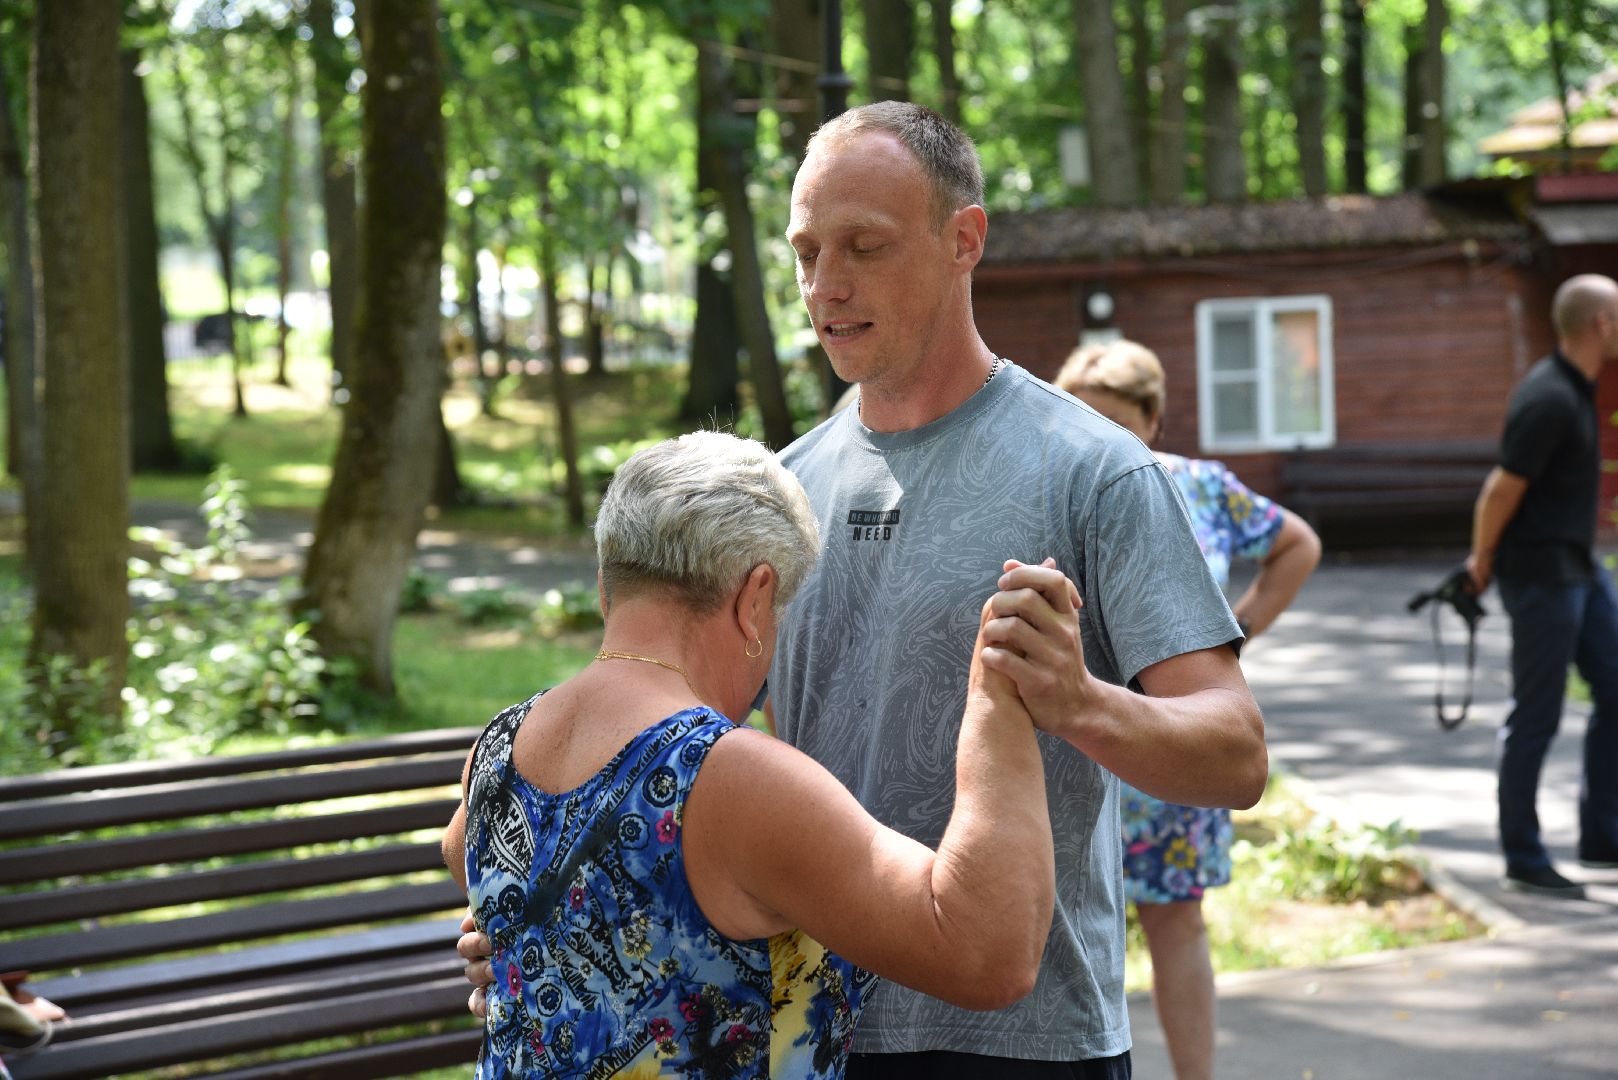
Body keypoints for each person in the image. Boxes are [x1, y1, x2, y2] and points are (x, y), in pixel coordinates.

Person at [461, 102, 1267, 1077]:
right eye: (805, 252)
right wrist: (546, 910)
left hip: (1023, 1034)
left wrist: (1081, 704)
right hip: (807, 1037)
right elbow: (670, 738)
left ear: (962, 238)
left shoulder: (1095, 470)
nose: (823, 286)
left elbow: (1235, 756)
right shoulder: (780, 486)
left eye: (863, 247)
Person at [442, 430, 1061, 1078]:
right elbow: (990, 953)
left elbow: (463, 854)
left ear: (605, 587)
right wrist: (998, 697)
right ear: (755, 597)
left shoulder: (504, 741)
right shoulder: (728, 775)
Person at [1057, 340, 1321, 1080]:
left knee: (1175, 928)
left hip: (1173, 751)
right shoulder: (1052, 480)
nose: (1096, 434)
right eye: (1080, 416)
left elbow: (1296, 544)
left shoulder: (1201, 487)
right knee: (1071, 933)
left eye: (1112, 419)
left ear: (1153, 418)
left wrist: (1228, 640)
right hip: (1081, 748)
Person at [1465, 272, 1618, 899]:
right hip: (1541, 578)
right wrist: (1481, 559)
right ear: (1600, 325)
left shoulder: (1578, 389)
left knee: (1615, 689)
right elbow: (1502, 489)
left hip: (1580, 569)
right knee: (1537, 713)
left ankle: (1602, 835)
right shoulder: (1549, 396)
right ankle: (1524, 855)